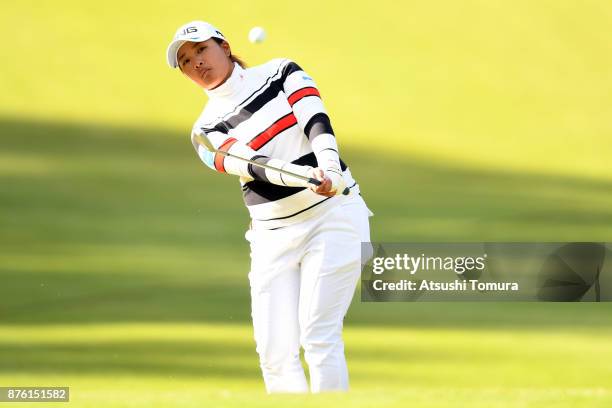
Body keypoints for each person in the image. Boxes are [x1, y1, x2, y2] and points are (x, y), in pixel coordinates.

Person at [166, 20, 373, 394]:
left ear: (224, 47)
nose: (196, 63)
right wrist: (309, 177)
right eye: (185, 61)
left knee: (318, 334)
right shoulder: (204, 132)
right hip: (272, 238)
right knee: (274, 353)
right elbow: (253, 164)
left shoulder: (282, 72)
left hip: (334, 217)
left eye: (200, 50)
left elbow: (316, 119)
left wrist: (328, 167)